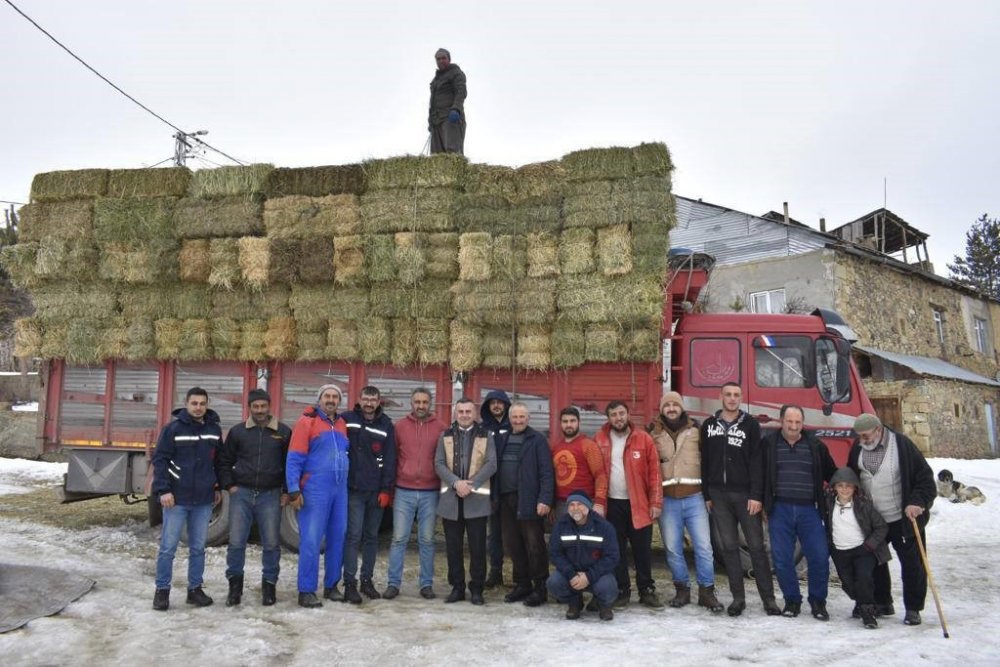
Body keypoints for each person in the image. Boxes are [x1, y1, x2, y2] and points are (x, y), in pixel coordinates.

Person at [700, 382, 781, 616]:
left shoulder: (751, 425)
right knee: (729, 548)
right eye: (728, 394)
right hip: (718, 496)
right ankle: (738, 599)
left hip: (745, 495)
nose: (732, 398)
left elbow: (757, 461)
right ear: (720, 396)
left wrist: (756, 495)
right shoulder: (709, 425)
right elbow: (705, 460)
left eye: (736, 395)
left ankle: (769, 600)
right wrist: (707, 493)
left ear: (741, 397)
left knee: (756, 547)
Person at [848, 412, 936, 626]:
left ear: (879, 430)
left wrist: (917, 502)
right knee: (873, 561)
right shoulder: (858, 448)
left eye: (866, 435)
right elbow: (852, 476)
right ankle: (882, 602)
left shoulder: (902, 445)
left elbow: (925, 478)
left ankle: (913, 608)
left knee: (912, 564)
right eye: (860, 436)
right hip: (874, 520)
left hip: (901, 517)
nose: (863, 439)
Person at [217, 388, 292, 607]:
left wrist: (286, 491)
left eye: (263, 406)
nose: (260, 410)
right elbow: (224, 461)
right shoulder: (238, 432)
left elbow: (290, 464)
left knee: (271, 544)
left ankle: (269, 587)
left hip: (270, 496)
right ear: (249, 407)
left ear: (269, 406)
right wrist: (229, 486)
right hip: (242, 494)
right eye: (255, 406)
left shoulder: (283, 432)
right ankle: (234, 588)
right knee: (236, 543)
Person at [762, 404, 837, 621]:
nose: (794, 426)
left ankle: (818, 601)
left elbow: (832, 474)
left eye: (798, 422)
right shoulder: (768, 444)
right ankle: (792, 600)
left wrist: (848, 487)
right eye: (789, 421)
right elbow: (759, 474)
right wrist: (762, 502)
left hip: (809, 510)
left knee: (819, 556)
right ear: (781, 421)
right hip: (780, 509)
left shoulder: (816, 445)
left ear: (803, 423)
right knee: (782, 559)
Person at [649, 392, 721, 612]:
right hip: (668, 500)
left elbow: (710, 461)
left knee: (704, 547)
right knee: (672, 549)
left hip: (695, 498)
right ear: (662, 409)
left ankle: (707, 592)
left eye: (675, 404)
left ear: (681, 407)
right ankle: (682, 590)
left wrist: (710, 494)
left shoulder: (696, 430)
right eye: (667, 405)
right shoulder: (653, 433)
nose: (671, 408)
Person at [151, 387, 222, 611]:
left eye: (202, 403)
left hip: (203, 500)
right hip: (176, 499)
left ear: (207, 405)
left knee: (198, 548)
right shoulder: (173, 429)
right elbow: (160, 460)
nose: (198, 407)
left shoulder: (214, 430)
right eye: (194, 403)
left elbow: (218, 461)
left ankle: (195, 590)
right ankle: (162, 591)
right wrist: (164, 490)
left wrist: (217, 486)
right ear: (186, 404)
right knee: (168, 548)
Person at [594, 400, 664, 610]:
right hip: (612, 504)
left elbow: (655, 473)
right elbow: (595, 472)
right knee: (617, 550)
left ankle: (646, 590)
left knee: (642, 550)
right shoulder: (600, 439)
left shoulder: (643, 439)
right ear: (609, 418)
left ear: (628, 414)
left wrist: (656, 502)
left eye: (621, 413)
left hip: (638, 503)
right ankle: (622, 590)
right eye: (614, 415)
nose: (618, 418)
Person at [286, 383, 350, 608]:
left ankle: (332, 585)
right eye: (327, 396)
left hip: (339, 490)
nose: (331, 400)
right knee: (311, 540)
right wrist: (293, 489)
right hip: (315, 488)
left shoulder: (341, 424)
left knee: (337, 538)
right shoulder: (306, 422)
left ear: (339, 401)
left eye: (335, 396)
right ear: (319, 399)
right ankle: (306, 590)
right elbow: (294, 457)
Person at [384, 387, 446, 600]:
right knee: (399, 539)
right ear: (411, 403)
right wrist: (391, 489)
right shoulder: (400, 427)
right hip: (404, 491)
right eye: (417, 402)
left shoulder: (441, 428)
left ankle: (426, 584)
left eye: (424, 402)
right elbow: (392, 458)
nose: (421, 406)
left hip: (430, 492)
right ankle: (393, 584)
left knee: (427, 540)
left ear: (430, 404)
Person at [435, 397, 497, 605]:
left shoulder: (486, 435)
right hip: (451, 501)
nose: (464, 415)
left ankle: (477, 589)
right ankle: (457, 587)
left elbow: (491, 463)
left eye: (468, 411)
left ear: (475, 414)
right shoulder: (445, 435)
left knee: (478, 549)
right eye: (460, 411)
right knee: (453, 548)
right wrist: (456, 483)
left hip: (476, 501)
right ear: (455, 413)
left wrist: (471, 484)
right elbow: (439, 464)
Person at [494, 402, 554, 607]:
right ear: (509, 419)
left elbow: (546, 472)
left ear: (528, 419)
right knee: (513, 544)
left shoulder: (537, 440)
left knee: (534, 544)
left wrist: (545, 499)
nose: (518, 420)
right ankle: (522, 584)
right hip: (505, 499)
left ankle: (540, 587)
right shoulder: (502, 439)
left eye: (522, 417)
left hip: (529, 499)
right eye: (515, 417)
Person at [342, 385, 396, 604]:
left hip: (375, 492)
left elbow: (389, 459)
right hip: (354, 490)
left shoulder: (386, 425)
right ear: (359, 399)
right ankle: (349, 584)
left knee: (371, 538)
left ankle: (367, 581)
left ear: (379, 402)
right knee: (353, 536)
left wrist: (386, 489)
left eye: (373, 400)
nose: (369, 403)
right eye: (366, 399)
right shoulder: (347, 419)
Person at [825, 467, 890, 630]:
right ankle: (861, 602)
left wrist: (870, 545)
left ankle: (868, 612)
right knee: (848, 584)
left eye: (849, 486)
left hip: (862, 550)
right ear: (834, 487)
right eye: (840, 486)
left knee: (864, 578)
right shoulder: (828, 504)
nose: (844, 489)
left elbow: (881, 527)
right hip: (840, 551)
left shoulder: (863, 505)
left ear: (855, 487)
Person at [547, 490, 619, 621]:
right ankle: (574, 602)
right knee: (554, 583)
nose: (575, 508)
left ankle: (603, 604)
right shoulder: (561, 525)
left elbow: (612, 557)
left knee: (608, 587)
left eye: (579, 504)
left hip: (597, 574)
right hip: (572, 574)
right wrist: (571, 574)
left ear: (588, 506)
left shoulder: (604, 527)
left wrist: (588, 576)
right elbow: (555, 553)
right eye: (571, 505)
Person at [550, 407, 607, 520]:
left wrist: (599, 502)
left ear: (579, 422)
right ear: (560, 424)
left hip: (584, 502)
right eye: (565, 421)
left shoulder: (588, 445)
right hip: (561, 504)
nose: (569, 425)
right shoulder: (556, 447)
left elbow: (600, 476)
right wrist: (552, 505)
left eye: (572, 421)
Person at [480, 389, 511, 589]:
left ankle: (520, 574)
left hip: (510, 488)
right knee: (494, 534)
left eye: (500, 402)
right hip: (489, 489)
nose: (496, 406)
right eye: (493, 403)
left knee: (514, 534)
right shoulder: (483, 429)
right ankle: (495, 571)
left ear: (506, 405)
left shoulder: (514, 427)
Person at [428, 47, 467, 155]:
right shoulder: (436, 80)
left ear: (449, 59)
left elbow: (461, 92)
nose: (441, 61)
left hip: (450, 117)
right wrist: (430, 120)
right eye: (438, 59)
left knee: (452, 152)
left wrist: (456, 109)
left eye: (443, 58)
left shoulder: (456, 73)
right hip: (436, 119)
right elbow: (432, 102)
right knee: (436, 155)